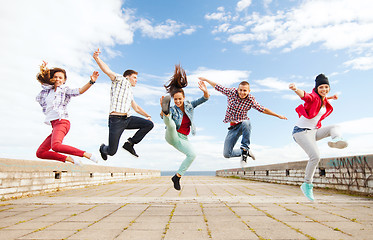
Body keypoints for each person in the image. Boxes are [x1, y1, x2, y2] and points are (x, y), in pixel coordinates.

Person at [199, 77, 287, 167]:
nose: (242, 92)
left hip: (243, 125)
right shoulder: (231, 92)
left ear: (249, 91)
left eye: (245, 91)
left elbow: (263, 109)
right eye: (240, 90)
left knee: (246, 122)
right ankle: (246, 152)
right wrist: (206, 80)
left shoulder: (250, 99)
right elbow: (218, 87)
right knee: (226, 154)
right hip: (233, 128)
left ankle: (245, 149)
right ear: (238, 89)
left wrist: (277, 115)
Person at [289, 74, 348, 201]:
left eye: (326, 87)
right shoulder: (313, 98)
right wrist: (295, 89)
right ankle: (307, 184)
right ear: (316, 88)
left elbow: (325, 99)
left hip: (313, 132)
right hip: (300, 132)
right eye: (321, 87)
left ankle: (336, 140)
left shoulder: (324, 100)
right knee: (315, 157)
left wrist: (333, 97)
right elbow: (305, 96)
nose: (324, 89)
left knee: (335, 126)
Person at [93, 48, 154, 160]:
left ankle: (130, 143)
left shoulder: (130, 92)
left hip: (128, 119)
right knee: (112, 151)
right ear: (127, 76)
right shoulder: (120, 80)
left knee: (149, 124)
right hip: (116, 120)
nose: (136, 80)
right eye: (134, 78)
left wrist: (147, 116)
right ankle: (103, 148)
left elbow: (136, 107)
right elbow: (107, 70)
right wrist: (97, 58)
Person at [35, 61, 99, 166]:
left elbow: (80, 91)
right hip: (54, 125)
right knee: (40, 153)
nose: (57, 79)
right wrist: (44, 69)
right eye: (55, 77)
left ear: (64, 80)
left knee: (56, 146)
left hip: (62, 122)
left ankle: (87, 154)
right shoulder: (47, 91)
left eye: (60, 78)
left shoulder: (65, 90)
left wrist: (91, 82)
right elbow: (43, 81)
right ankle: (69, 159)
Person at [160, 64, 209, 190]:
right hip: (172, 135)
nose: (177, 101)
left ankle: (177, 177)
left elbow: (204, 99)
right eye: (175, 99)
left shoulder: (190, 105)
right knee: (170, 123)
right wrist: (163, 110)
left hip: (183, 138)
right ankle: (165, 110)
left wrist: (205, 91)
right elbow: (162, 118)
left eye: (179, 99)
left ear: (184, 98)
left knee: (192, 154)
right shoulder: (173, 108)